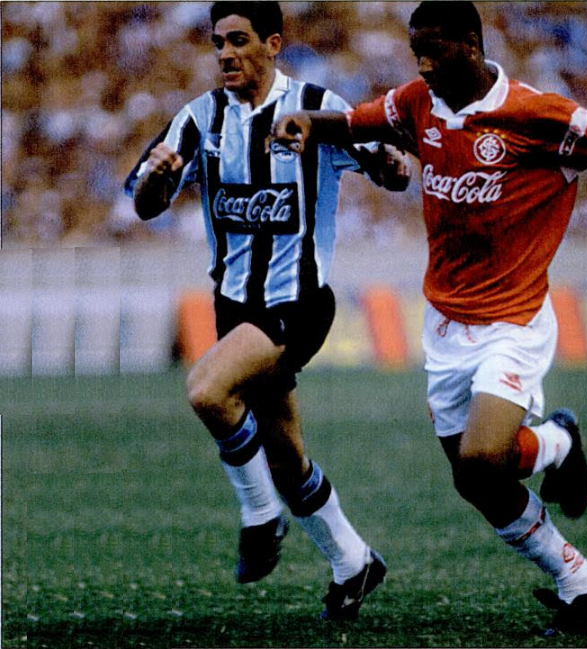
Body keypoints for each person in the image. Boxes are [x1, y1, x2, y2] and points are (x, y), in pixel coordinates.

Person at [272, 0, 587, 635]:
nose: (423, 64)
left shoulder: (532, 115)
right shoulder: (417, 102)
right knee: (476, 482)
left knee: (481, 459)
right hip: (445, 324)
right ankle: (577, 575)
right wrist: (307, 123)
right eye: (416, 51)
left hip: (513, 322)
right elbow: (357, 122)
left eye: (435, 50)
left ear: (471, 43)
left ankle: (558, 442)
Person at [124, 1, 410, 621]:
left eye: (238, 40)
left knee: (206, 390)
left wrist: (391, 164)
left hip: (297, 302)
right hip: (234, 306)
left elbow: (393, 171)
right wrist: (156, 178)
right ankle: (354, 561)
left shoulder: (314, 105)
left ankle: (259, 519)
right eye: (218, 42)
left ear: (273, 43)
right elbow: (144, 204)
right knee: (285, 458)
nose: (225, 53)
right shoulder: (198, 119)